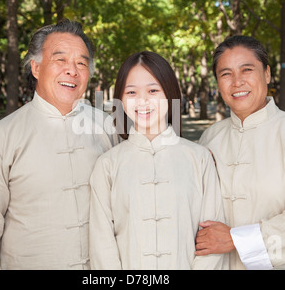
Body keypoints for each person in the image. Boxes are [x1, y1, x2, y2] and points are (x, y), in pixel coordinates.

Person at [0, 19, 118, 269]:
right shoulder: (4, 135)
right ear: (36, 67)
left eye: (81, 63)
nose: (72, 71)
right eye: (60, 60)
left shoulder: (107, 128)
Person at [195, 36, 285, 270]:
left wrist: (236, 239)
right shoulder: (209, 139)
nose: (237, 82)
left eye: (247, 70)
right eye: (225, 74)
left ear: (267, 74)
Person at [89, 51, 227, 270]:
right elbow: (101, 244)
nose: (143, 100)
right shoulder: (107, 165)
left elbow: (210, 239)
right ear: (120, 100)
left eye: (153, 90)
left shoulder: (199, 158)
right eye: (131, 92)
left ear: (170, 94)